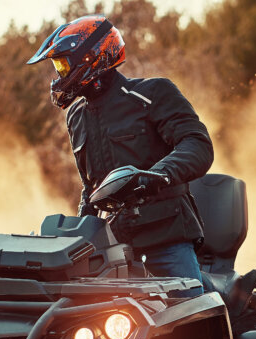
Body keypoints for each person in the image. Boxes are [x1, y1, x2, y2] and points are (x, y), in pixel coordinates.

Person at [27, 15, 213, 297]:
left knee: (192, 323)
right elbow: (90, 190)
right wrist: (79, 236)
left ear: (92, 57)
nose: (59, 74)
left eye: (63, 64)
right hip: (110, 248)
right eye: (57, 67)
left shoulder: (152, 93)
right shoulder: (76, 116)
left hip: (165, 242)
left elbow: (198, 145)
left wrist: (154, 176)